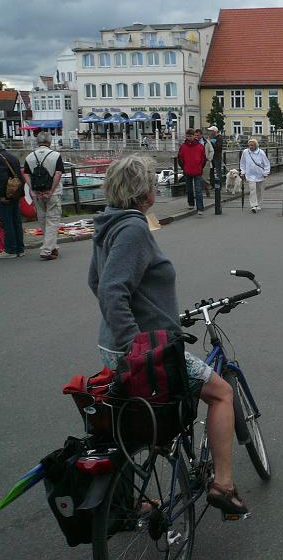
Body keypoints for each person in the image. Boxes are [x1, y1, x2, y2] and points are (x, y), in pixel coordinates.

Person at [88, 154, 248, 516]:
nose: (157, 188)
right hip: (141, 347)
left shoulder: (108, 224)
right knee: (221, 393)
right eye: (152, 184)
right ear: (144, 192)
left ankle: (130, 498)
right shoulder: (132, 228)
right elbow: (113, 290)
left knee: (135, 417)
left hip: (111, 345)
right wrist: (137, 345)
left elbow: (96, 282)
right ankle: (223, 484)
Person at [24, 132, 64, 260]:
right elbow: (58, 174)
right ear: (50, 142)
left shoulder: (29, 157)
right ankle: (46, 250)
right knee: (52, 220)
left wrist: (33, 189)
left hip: (36, 194)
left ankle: (52, 247)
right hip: (53, 193)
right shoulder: (56, 155)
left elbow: (26, 175)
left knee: (42, 219)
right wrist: (51, 190)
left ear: (37, 142)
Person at [0, 137, 25, 259]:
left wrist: (2, 195)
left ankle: (10, 250)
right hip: (15, 193)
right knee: (16, 221)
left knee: (7, 222)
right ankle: (20, 248)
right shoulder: (11, 156)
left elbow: (2, 179)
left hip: (6, 195)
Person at [177, 128, 206, 215]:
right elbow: (180, 158)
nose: (189, 137)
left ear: (194, 136)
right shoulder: (183, 147)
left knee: (198, 190)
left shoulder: (200, 146)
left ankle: (200, 208)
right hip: (187, 171)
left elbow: (203, 159)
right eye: (188, 136)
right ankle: (191, 203)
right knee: (189, 189)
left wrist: (200, 167)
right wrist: (184, 167)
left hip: (197, 171)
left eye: (190, 136)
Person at [239, 138, 271, 213]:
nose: (250, 147)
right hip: (250, 175)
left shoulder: (261, 152)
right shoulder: (245, 152)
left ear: (256, 145)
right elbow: (242, 163)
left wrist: (266, 172)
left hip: (260, 174)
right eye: (249, 145)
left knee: (259, 190)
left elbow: (266, 163)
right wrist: (243, 172)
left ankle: (259, 204)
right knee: (252, 190)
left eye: (252, 145)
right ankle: (254, 205)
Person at [195, 128, 214, 198]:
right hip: (196, 163)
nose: (197, 137)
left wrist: (209, 158)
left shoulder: (206, 142)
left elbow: (211, 151)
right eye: (195, 135)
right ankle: (198, 193)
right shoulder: (193, 142)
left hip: (205, 162)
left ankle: (207, 191)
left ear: (201, 135)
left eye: (198, 135)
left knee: (205, 178)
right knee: (197, 177)